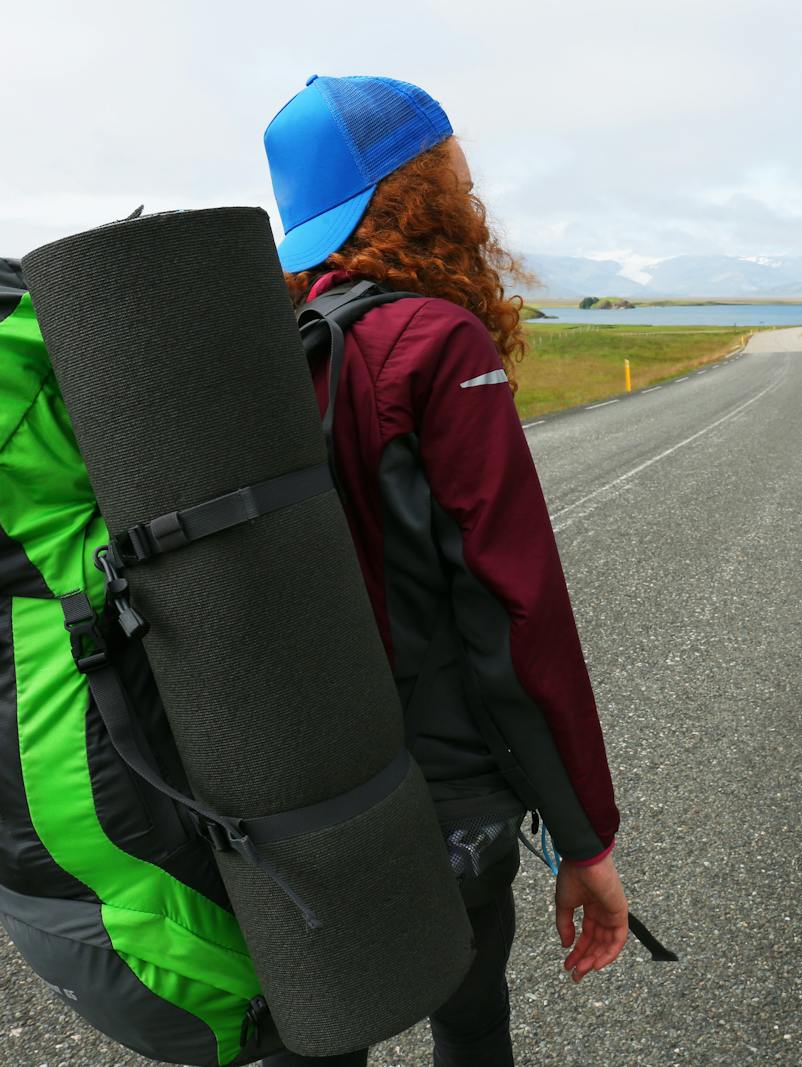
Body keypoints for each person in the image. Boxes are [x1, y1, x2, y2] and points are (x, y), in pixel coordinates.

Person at [259, 75, 631, 1067]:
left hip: (291, 797)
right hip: (439, 800)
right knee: (468, 1020)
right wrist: (581, 832)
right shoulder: (432, 340)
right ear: (421, 187)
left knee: (320, 1033)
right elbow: (516, 610)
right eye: (456, 168)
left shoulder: (267, 354)